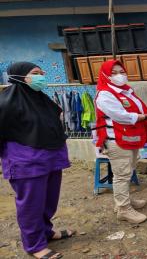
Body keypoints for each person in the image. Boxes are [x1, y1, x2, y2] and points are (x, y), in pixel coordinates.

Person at [0, 62, 74, 259]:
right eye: (35, 73)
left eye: (42, 73)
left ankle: (46, 232)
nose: (41, 77)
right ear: (19, 77)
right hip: (26, 163)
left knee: (48, 201)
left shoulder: (42, 99)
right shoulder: (6, 103)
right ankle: (34, 245)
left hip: (51, 159)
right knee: (31, 205)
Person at [95, 60, 147, 224]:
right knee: (121, 175)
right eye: (114, 72)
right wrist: (145, 118)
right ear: (105, 75)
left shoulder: (126, 91)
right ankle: (123, 209)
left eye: (121, 71)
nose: (120, 75)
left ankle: (125, 201)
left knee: (128, 171)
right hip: (116, 140)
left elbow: (137, 110)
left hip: (129, 138)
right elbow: (120, 116)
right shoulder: (105, 94)